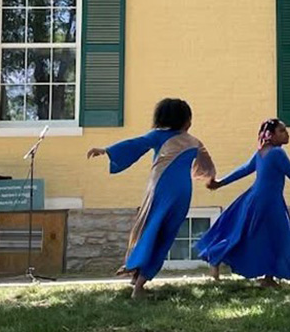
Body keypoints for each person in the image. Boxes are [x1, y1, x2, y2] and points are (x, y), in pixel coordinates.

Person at [86, 98, 215, 298]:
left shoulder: (158, 136)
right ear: (185, 121)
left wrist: (107, 150)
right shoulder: (194, 142)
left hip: (160, 190)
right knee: (164, 235)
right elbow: (206, 165)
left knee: (150, 230)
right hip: (182, 194)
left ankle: (135, 274)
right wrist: (212, 180)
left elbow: (135, 144)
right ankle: (138, 277)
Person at [194, 118, 290, 287]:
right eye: (282, 131)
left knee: (259, 236)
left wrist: (220, 183)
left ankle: (265, 277)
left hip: (257, 198)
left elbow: (243, 170)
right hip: (268, 201)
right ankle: (261, 275)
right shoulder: (277, 153)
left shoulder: (262, 152)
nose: (287, 134)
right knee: (279, 237)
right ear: (271, 135)